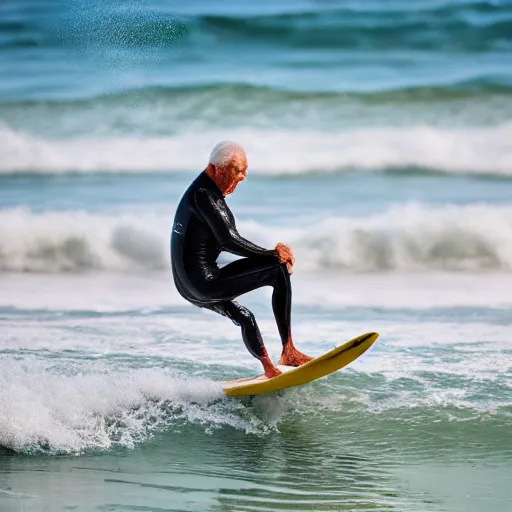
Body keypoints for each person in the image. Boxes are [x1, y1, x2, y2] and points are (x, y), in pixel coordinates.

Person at [170, 141, 312, 378]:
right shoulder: (204, 196)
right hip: (203, 282)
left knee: (245, 316)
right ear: (216, 169)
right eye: (237, 170)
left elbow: (225, 239)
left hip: (187, 286)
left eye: (245, 170)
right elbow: (229, 241)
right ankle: (289, 351)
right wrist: (273, 254)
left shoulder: (202, 193)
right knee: (278, 269)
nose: (243, 177)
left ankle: (269, 369)